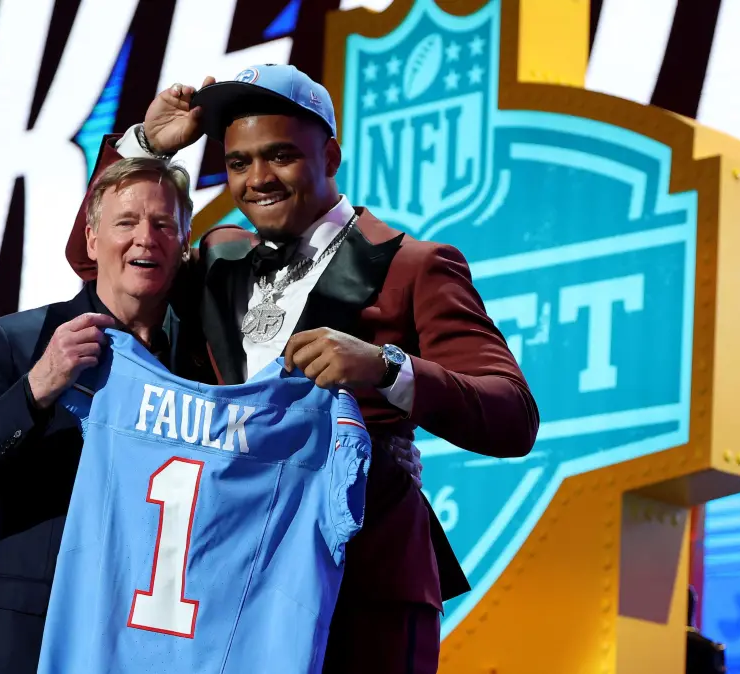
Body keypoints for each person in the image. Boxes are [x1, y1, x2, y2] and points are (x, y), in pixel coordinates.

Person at [65, 65, 540, 673]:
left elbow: (513, 415)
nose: (258, 179)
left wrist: (386, 369)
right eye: (238, 163)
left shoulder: (414, 267)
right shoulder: (217, 255)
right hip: (230, 581)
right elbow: (98, 255)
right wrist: (145, 147)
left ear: (332, 155)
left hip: (362, 588)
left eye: (281, 156)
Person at [0, 157, 195, 673]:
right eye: (126, 222)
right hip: (27, 641)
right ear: (92, 241)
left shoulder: (204, 363)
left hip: (149, 645)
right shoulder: (18, 341)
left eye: (163, 224)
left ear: (184, 245)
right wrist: (37, 386)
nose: (145, 238)